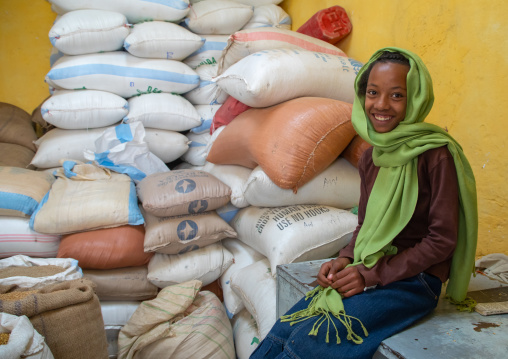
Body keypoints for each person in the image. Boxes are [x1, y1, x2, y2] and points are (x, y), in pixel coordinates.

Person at [249, 47, 478, 359]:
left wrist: (371, 275)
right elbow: (365, 225)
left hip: (416, 280)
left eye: (397, 95)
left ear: (416, 98)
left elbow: (442, 240)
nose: (381, 105)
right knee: (287, 327)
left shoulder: (436, 155)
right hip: (369, 265)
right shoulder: (372, 156)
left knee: (309, 342)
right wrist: (344, 260)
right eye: (373, 92)